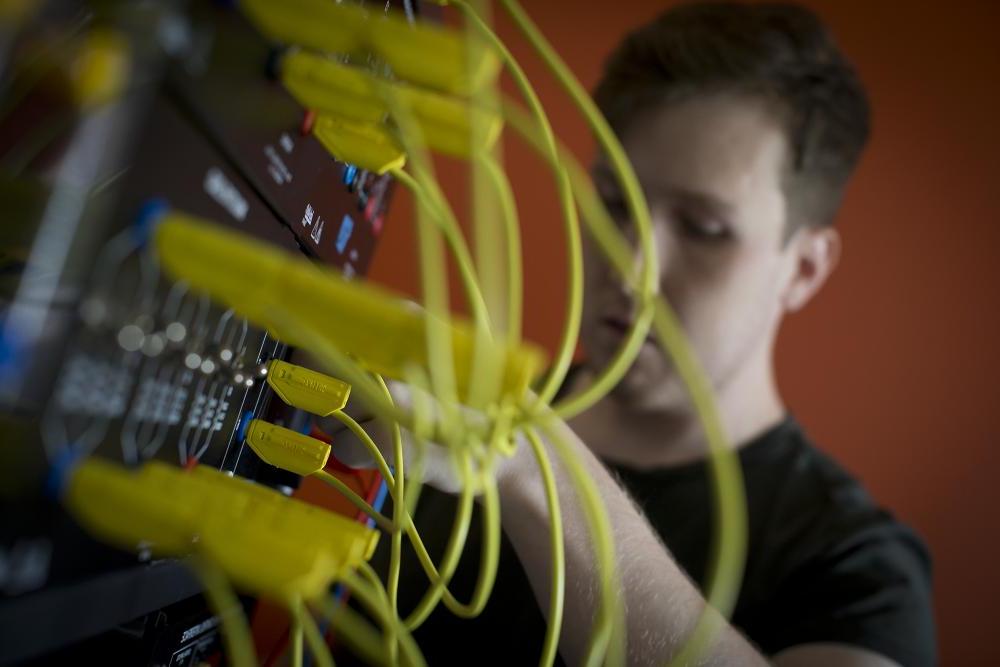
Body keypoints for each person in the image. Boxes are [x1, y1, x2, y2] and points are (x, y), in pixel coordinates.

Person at [337, 3, 936, 665]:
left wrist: (534, 466)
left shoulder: (854, 565)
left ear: (804, 267)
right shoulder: (438, 416)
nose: (631, 262)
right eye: (615, 201)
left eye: (705, 227)